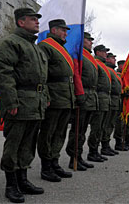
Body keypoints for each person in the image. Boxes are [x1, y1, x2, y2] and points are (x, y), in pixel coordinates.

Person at [0, 8, 47, 203]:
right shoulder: (10, 43)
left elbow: (42, 79)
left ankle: (23, 180)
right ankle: (11, 184)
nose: (37, 22)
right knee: (14, 144)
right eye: (33, 19)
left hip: (35, 103)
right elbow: (3, 74)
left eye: (37, 19)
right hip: (20, 102)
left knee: (28, 144)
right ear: (21, 22)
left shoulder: (35, 47)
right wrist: (10, 101)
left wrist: (45, 97)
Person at [37, 19, 73, 182]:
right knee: (48, 132)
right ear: (54, 30)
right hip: (54, 95)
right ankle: (46, 166)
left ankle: (54, 161)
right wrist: (46, 96)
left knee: (60, 132)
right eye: (63, 30)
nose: (66, 33)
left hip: (66, 96)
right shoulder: (45, 46)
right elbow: (42, 74)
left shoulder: (62, 49)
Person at [66, 32, 97, 171]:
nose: (91, 42)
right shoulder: (78, 55)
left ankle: (78, 157)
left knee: (82, 130)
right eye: (88, 40)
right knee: (77, 130)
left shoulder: (88, 57)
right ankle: (73, 157)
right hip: (82, 94)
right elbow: (76, 75)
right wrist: (79, 95)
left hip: (89, 96)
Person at [87, 44, 111, 162]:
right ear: (97, 52)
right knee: (96, 127)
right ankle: (92, 152)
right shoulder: (96, 63)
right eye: (103, 51)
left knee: (102, 127)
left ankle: (96, 150)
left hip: (104, 99)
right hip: (99, 98)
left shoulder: (103, 65)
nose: (106, 53)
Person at [101, 52, 122, 156]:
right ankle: (103, 146)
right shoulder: (107, 70)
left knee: (111, 124)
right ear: (108, 59)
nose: (114, 60)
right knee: (106, 124)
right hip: (109, 99)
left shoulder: (112, 71)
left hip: (115, 100)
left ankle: (107, 145)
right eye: (113, 58)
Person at [113, 60, 129, 151]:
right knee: (116, 124)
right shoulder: (118, 75)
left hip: (120, 101)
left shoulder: (122, 76)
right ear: (120, 66)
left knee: (122, 123)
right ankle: (117, 143)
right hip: (115, 101)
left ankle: (121, 142)